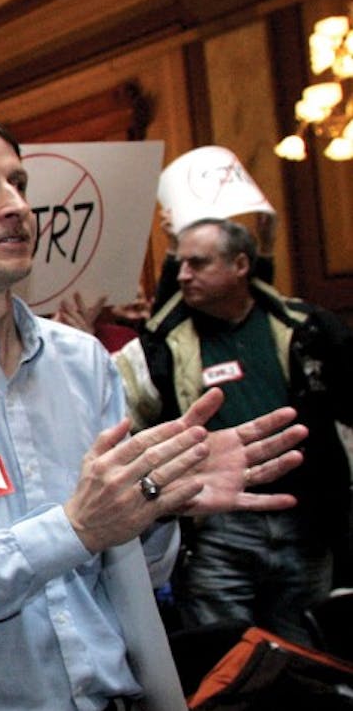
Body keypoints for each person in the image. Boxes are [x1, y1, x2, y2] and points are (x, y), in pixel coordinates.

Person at [0, 115, 309, 710]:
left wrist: (154, 507)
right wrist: (72, 530)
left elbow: (139, 571)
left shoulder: (82, 363)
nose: (17, 207)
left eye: (18, 183)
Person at [113, 217, 352, 646]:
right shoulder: (163, 345)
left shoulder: (304, 327)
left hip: (305, 522)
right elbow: (128, 426)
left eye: (197, 263)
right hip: (217, 532)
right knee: (224, 657)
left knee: (305, 658)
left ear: (240, 265)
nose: (182, 274)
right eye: (180, 263)